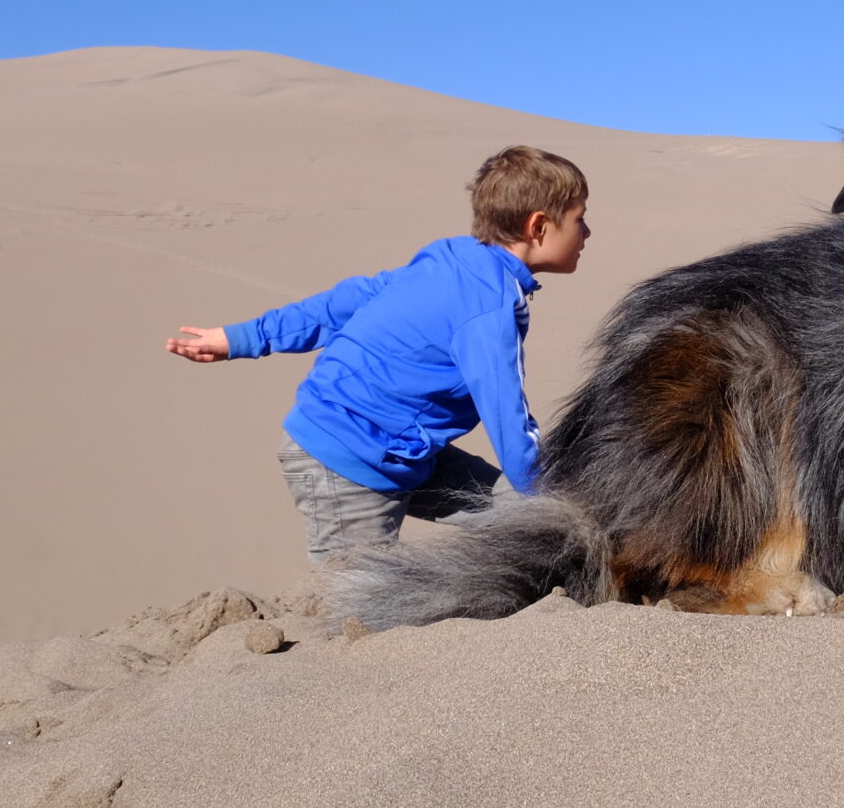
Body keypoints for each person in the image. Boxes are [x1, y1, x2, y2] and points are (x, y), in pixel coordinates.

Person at [167, 145, 590, 566]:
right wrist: (559, 505)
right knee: (360, 613)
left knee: (517, 514)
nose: (586, 233)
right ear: (538, 226)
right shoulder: (488, 307)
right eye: (579, 219)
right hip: (349, 457)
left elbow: (347, 301)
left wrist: (240, 338)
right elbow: (510, 423)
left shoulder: (454, 257)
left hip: (406, 451)